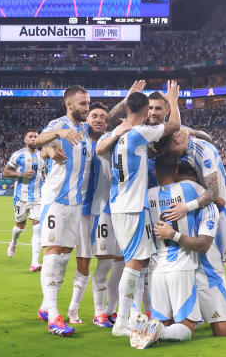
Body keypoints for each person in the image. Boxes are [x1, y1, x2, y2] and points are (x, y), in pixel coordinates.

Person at [95, 81, 180, 338]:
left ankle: (128, 316)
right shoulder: (139, 132)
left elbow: (100, 147)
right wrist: (173, 101)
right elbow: (174, 126)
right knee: (136, 262)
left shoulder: (115, 136)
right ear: (145, 112)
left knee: (135, 261)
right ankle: (122, 321)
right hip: (133, 206)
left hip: (118, 204)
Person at [163, 128, 226, 339]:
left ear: (177, 139)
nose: (167, 153)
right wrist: (193, 131)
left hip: (225, 213)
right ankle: (222, 313)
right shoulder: (187, 149)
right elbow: (209, 136)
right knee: (211, 265)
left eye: (167, 146)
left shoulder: (203, 151)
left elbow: (214, 193)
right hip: (208, 206)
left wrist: (187, 207)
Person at [131, 154, 218, 349]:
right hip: (182, 265)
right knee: (187, 327)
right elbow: (213, 195)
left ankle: (152, 328)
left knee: (164, 321)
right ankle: (159, 332)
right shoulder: (191, 188)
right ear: (177, 171)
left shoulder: (147, 195)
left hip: (156, 269)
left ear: (155, 171)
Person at [34, 85, 92, 337]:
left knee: (65, 255)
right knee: (53, 253)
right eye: (82, 103)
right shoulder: (57, 124)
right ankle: (54, 316)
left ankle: (47, 307)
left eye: (88, 103)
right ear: (69, 104)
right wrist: (53, 142)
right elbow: (37, 142)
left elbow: (105, 118)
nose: (86, 107)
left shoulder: (85, 129)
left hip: (76, 203)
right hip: (56, 199)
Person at [79, 102, 122, 329]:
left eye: (102, 117)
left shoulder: (111, 138)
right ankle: (98, 312)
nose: (98, 119)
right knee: (103, 264)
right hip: (99, 211)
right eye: (93, 115)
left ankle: (111, 310)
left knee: (121, 264)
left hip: (120, 209)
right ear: (87, 118)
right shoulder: (81, 140)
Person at [1, 129, 44, 272]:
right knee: (20, 227)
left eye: (35, 137)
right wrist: (21, 174)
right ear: (25, 140)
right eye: (30, 137)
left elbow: (43, 175)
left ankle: (34, 262)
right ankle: (13, 242)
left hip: (38, 197)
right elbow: (6, 172)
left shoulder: (43, 155)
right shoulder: (18, 155)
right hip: (21, 197)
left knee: (37, 228)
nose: (33, 139)